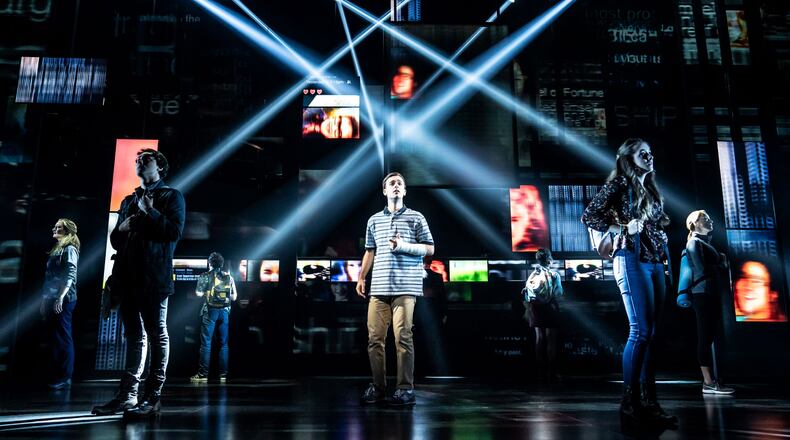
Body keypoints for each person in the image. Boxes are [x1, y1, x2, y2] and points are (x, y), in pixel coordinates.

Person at [581, 138, 676, 427]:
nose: (649, 156)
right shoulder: (619, 184)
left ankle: (650, 403)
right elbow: (589, 215)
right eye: (642, 153)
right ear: (628, 158)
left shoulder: (651, 188)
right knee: (640, 332)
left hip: (654, 263)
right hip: (630, 260)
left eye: (650, 151)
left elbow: (654, 224)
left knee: (652, 335)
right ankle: (629, 402)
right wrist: (621, 226)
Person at [92, 148, 185, 418]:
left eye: (146, 160)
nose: (139, 163)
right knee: (134, 337)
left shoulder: (171, 196)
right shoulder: (128, 200)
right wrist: (121, 228)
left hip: (154, 280)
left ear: (160, 167)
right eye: (137, 160)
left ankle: (152, 397)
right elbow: (117, 242)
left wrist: (151, 212)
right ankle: (128, 396)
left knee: (157, 335)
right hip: (128, 279)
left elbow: (173, 232)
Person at [357, 172, 434, 406]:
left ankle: (404, 388)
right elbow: (370, 250)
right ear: (384, 191)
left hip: (406, 286)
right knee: (374, 339)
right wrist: (361, 278)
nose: (396, 186)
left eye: (400, 183)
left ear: (405, 190)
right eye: (392, 183)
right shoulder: (373, 220)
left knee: (403, 337)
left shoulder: (416, 217)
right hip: (378, 287)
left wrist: (403, 246)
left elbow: (429, 249)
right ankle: (378, 386)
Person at [684, 210, 735, 395]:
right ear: (696, 223)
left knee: (712, 336)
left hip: (711, 293)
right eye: (705, 218)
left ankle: (713, 380)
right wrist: (720, 262)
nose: (710, 220)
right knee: (705, 337)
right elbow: (701, 268)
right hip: (703, 294)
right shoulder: (694, 242)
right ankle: (708, 382)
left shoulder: (704, 243)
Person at [40, 218, 80, 390]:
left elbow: (70, 275)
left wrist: (61, 297)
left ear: (68, 232)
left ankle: (65, 377)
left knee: (63, 337)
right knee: (55, 338)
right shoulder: (59, 248)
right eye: (55, 226)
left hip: (63, 299)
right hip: (51, 298)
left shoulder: (70, 249)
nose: (55, 229)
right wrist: (44, 300)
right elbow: (48, 279)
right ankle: (58, 375)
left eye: (59, 228)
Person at [191, 252, 237, 383]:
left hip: (210, 311)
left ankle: (203, 375)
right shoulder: (229, 277)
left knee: (206, 343)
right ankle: (223, 375)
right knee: (224, 344)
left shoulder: (204, 276)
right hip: (224, 312)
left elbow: (199, 294)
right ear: (222, 264)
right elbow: (234, 297)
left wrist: (206, 290)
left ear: (209, 263)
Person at [523, 248, 563, 382]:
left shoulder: (532, 275)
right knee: (551, 341)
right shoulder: (554, 274)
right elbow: (559, 293)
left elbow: (527, 294)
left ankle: (540, 373)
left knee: (539, 339)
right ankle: (552, 373)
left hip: (535, 309)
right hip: (550, 307)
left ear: (538, 259)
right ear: (549, 259)